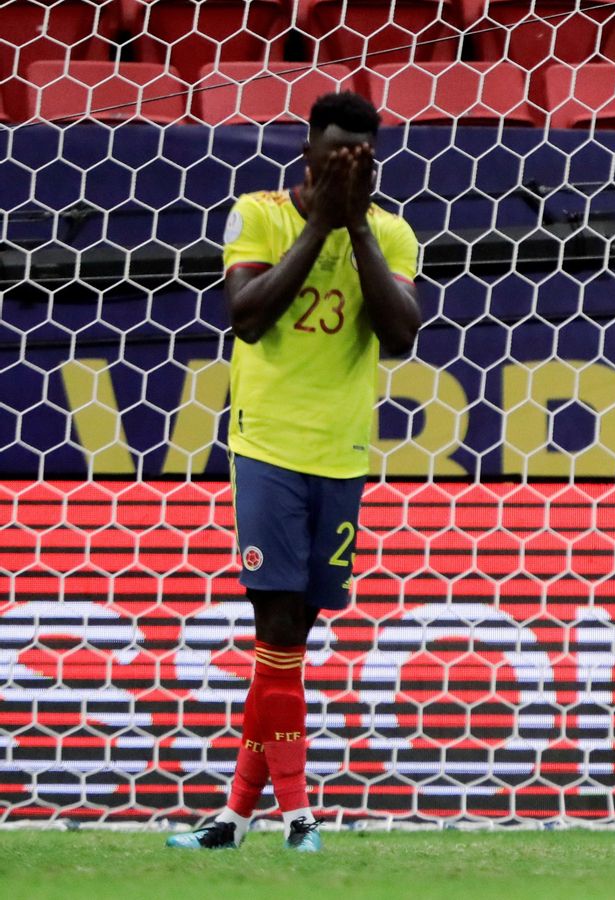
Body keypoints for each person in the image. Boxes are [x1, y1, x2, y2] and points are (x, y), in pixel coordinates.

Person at [167, 91, 421, 852]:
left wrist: (358, 232)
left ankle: (234, 819)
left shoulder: (394, 232)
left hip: (342, 453)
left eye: (361, 155)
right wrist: (320, 225)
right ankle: (299, 815)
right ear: (306, 148)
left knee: (286, 646)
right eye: (334, 151)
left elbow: (402, 336)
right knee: (277, 632)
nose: (346, 163)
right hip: (268, 447)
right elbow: (247, 314)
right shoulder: (257, 213)